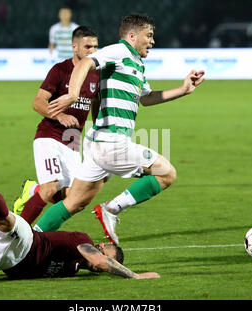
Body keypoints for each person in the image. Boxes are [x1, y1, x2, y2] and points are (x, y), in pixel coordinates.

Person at [31, 14, 205, 245]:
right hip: (110, 142)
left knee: (73, 202)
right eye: (149, 36)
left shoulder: (137, 63)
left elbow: (147, 98)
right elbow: (85, 62)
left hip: (98, 143)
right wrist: (73, 95)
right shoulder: (118, 52)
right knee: (167, 173)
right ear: (132, 36)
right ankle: (111, 210)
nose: (152, 41)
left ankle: (29, 240)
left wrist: (183, 90)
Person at [0, 176, 160, 292]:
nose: (100, 262)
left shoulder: (76, 270)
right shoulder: (82, 242)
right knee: (5, 222)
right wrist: (134, 277)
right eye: (104, 254)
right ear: (99, 246)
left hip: (7, 262)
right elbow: (97, 259)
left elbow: (97, 263)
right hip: (26, 244)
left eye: (106, 262)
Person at [12, 26, 100, 226]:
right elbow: (38, 102)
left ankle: (32, 191)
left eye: (95, 47)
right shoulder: (60, 70)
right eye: (87, 47)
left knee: (75, 199)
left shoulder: (96, 74)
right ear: (74, 47)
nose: (92, 51)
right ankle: (16, 235)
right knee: (50, 188)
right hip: (49, 136)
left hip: (72, 142)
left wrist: (96, 132)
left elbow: (96, 105)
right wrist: (60, 115)